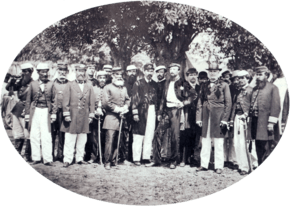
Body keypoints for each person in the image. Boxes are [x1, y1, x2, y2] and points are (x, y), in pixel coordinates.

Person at [196, 62, 232, 174]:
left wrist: (225, 119)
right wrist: (199, 118)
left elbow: (228, 103)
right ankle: (204, 164)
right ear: (208, 73)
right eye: (210, 72)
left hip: (218, 115)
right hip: (206, 115)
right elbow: (200, 102)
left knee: (218, 142)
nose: (212, 74)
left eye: (215, 72)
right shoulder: (204, 85)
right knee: (205, 141)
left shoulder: (224, 85)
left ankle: (219, 166)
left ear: (218, 72)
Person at [60, 64, 95, 168]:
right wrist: (66, 114)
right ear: (75, 72)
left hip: (84, 115)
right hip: (72, 115)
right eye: (79, 71)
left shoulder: (89, 85)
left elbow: (92, 102)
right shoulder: (70, 85)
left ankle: (79, 158)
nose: (81, 73)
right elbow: (65, 101)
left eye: (83, 71)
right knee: (70, 138)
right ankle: (67, 159)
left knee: (82, 138)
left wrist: (91, 115)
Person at [25, 62, 57, 166]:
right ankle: (36, 157)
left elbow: (55, 100)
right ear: (38, 72)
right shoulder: (33, 84)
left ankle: (47, 159)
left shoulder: (52, 84)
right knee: (34, 135)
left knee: (47, 135)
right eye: (42, 72)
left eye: (46, 72)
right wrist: (27, 114)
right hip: (35, 111)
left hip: (46, 111)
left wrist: (53, 113)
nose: (44, 74)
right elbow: (28, 100)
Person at [157, 63, 188, 169]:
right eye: (170, 69)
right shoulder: (166, 82)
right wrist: (160, 113)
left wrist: (183, 103)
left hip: (176, 111)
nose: (172, 71)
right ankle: (157, 160)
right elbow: (162, 99)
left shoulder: (183, 82)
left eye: (174, 69)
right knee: (158, 133)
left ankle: (174, 160)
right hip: (166, 110)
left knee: (175, 136)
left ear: (179, 70)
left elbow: (193, 95)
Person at [248, 66, 280, 165]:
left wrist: (271, 123)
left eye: (260, 75)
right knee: (258, 145)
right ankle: (260, 164)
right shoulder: (254, 89)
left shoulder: (273, 88)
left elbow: (276, 106)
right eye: (256, 75)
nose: (258, 77)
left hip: (266, 122)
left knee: (267, 146)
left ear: (266, 75)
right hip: (255, 121)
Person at [230, 70, 258, 175]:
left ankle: (251, 164)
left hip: (247, 119)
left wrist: (247, 115)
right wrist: (232, 119)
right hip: (237, 118)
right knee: (238, 143)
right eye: (239, 78)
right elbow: (234, 106)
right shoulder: (238, 91)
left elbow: (254, 105)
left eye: (243, 78)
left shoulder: (251, 90)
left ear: (247, 78)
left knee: (248, 143)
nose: (240, 80)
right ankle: (242, 165)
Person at [102, 67, 130, 170]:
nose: (119, 77)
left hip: (121, 118)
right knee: (110, 140)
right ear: (112, 76)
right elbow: (106, 103)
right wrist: (118, 109)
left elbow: (127, 99)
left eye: (120, 75)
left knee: (119, 140)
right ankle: (107, 162)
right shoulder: (107, 87)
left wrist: (126, 107)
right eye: (116, 75)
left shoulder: (124, 88)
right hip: (111, 117)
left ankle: (114, 159)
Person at [131, 63, 158, 166]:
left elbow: (157, 99)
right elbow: (134, 99)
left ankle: (146, 157)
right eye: (148, 70)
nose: (149, 73)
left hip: (152, 110)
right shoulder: (138, 83)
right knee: (138, 134)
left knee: (149, 134)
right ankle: (136, 158)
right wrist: (135, 113)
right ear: (144, 71)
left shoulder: (155, 84)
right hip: (141, 111)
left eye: (151, 71)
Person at [6, 62, 33, 161]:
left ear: (31, 72)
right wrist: (12, 79)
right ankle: (17, 152)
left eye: (26, 71)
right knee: (18, 133)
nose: (24, 73)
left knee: (28, 133)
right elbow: (8, 88)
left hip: (28, 109)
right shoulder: (19, 82)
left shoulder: (33, 83)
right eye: (23, 71)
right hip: (18, 108)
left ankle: (27, 155)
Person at [86, 70, 107, 164]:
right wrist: (94, 112)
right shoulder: (93, 88)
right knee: (94, 137)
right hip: (95, 116)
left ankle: (102, 156)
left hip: (106, 116)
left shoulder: (108, 88)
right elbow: (89, 102)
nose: (102, 80)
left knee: (104, 137)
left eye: (104, 78)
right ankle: (93, 156)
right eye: (100, 78)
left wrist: (103, 110)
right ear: (97, 79)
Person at [179, 68, 199, 166]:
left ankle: (193, 158)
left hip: (198, 114)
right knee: (185, 135)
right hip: (187, 113)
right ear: (187, 76)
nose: (192, 76)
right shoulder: (183, 87)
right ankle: (183, 158)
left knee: (196, 136)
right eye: (190, 75)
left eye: (194, 74)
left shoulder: (200, 87)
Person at [51, 62, 69, 162]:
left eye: (64, 71)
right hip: (54, 112)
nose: (62, 72)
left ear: (67, 72)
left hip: (65, 112)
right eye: (60, 70)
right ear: (57, 71)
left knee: (63, 134)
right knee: (53, 133)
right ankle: (51, 154)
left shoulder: (70, 84)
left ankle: (61, 155)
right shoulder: (52, 83)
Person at [123, 64, 138, 162]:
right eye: (130, 71)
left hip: (135, 112)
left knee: (134, 134)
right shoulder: (123, 84)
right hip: (125, 111)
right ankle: (123, 156)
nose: (132, 73)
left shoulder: (138, 83)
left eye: (134, 71)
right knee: (124, 134)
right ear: (127, 73)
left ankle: (132, 156)